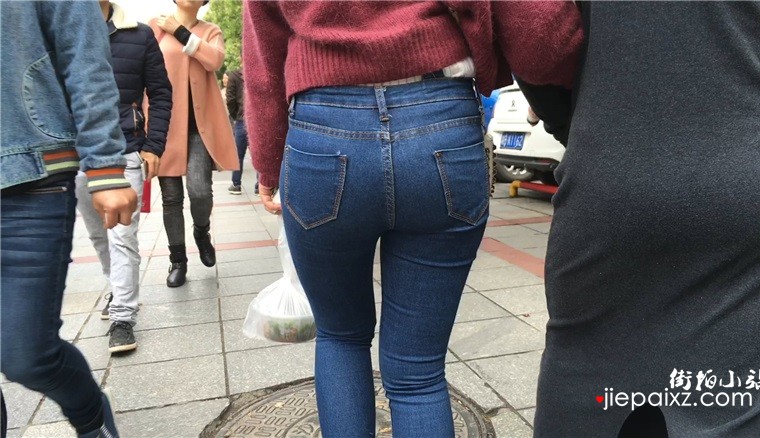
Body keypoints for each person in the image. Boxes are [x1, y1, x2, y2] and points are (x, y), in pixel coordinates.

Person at [243, 2, 582, 435]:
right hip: (441, 125)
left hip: (323, 131)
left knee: (341, 338)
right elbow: (545, 45)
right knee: (418, 372)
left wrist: (269, 165)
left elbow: (263, 56)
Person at [523, 2, 760, 436]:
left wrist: (584, 131)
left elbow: (531, 33)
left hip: (614, 164)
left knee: (588, 388)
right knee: (723, 396)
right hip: (751, 168)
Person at [1, 2, 138, 436]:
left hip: (28, 175)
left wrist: (106, 165)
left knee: (26, 355)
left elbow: (84, 55)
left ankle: (91, 416)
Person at [75, 0, 172, 354]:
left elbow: (161, 93)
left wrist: (154, 145)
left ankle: (123, 317)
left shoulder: (140, 35)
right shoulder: (63, 29)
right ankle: (117, 289)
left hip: (125, 149)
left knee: (122, 236)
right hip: (76, 154)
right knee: (98, 235)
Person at [151, 0, 239, 288]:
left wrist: (180, 31)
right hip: (164, 127)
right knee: (171, 198)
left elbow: (214, 60)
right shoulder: (155, 28)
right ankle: (178, 261)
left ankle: (202, 231)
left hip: (200, 129)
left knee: (200, 191)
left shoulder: (211, 31)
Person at [225, 63, 258, 196]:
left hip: (241, 120)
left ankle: (236, 184)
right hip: (257, 121)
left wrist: (235, 116)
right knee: (258, 154)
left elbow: (230, 100)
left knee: (238, 154)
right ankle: (260, 186)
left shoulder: (234, 76)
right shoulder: (259, 72)